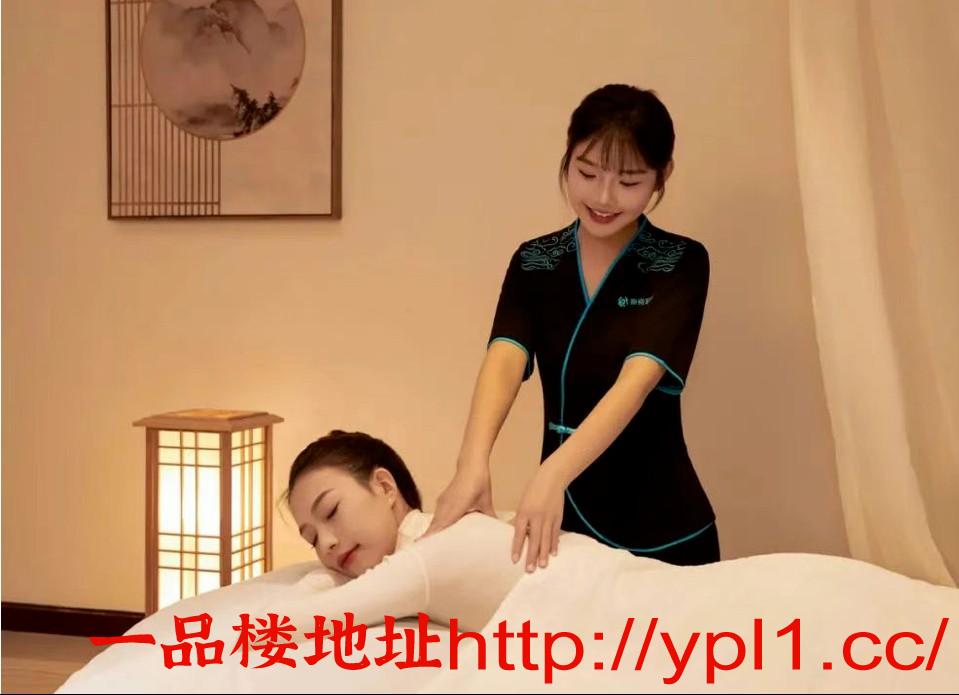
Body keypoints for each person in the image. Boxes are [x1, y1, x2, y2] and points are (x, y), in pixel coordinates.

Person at [425, 84, 718, 572]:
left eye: (628, 181)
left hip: (664, 528)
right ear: (568, 157)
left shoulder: (679, 262)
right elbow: (505, 358)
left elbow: (636, 381)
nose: (603, 197)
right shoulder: (535, 261)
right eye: (587, 173)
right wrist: (471, 463)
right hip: (564, 523)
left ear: (662, 176)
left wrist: (551, 475)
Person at [279, 430, 619, 633]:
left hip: (628, 607)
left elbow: (284, 626)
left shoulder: (427, 557)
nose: (326, 544)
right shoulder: (455, 530)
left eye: (331, 511)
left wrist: (322, 579)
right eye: (312, 540)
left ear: (385, 487)